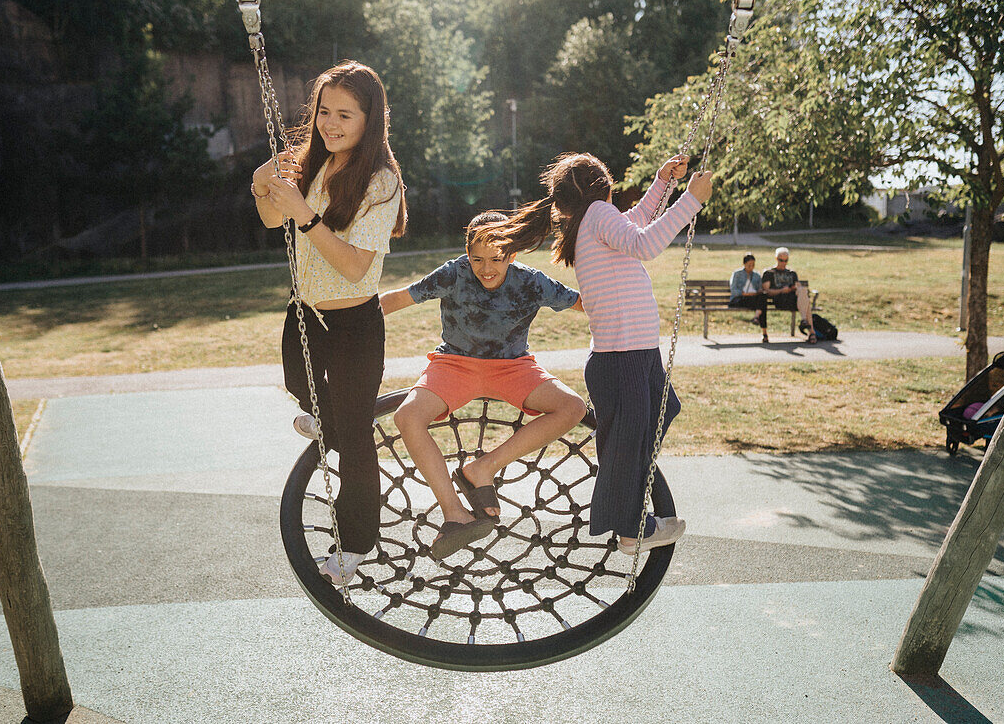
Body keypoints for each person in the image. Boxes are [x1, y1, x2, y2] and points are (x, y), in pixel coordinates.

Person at [472, 152, 712, 555]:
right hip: (624, 357)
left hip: (630, 354)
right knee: (629, 440)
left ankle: (632, 519)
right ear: (600, 187)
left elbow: (634, 221)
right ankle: (633, 531)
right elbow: (646, 243)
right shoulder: (598, 215)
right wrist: (691, 200)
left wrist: (662, 184)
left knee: (658, 415)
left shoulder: (592, 220)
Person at [251, 61, 406, 585]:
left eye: (345, 114)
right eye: (324, 111)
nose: (330, 124)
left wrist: (303, 213)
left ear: (370, 119)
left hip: (354, 324)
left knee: (354, 440)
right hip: (306, 313)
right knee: (301, 387)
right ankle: (333, 425)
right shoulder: (312, 163)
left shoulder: (381, 183)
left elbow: (355, 265)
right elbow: (275, 220)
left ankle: (356, 542)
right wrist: (262, 190)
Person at [380, 212, 587, 559]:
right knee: (407, 417)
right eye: (477, 259)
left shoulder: (532, 282)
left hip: (513, 366)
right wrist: (348, 318)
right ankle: (454, 513)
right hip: (455, 364)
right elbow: (398, 298)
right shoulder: (455, 273)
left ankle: (482, 468)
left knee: (572, 407)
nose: (486, 268)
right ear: (467, 255)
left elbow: (585, 303)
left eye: (497, 258)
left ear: (513, 254)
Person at [762, 247, 817, 344]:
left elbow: (798, 288)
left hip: (794, 301)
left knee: (803, 292)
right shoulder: (769, 273)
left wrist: (794, 288)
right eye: (781, 260)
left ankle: (806, 322)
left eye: (786, 260)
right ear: (776, 258)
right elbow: (767, 291)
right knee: (806, 302)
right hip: (780, 300)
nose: (783, 263)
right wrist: (782, 290)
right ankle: (811, 331)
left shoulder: (792, 273)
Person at [730, 253, 769, 343]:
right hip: (739, 298)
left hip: (752, 298)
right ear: (744, 264)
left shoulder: (756, 275)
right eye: (749, 265)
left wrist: (758, 292)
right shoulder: (737, 274)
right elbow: (734, 290)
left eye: (753, 265)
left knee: (762, 298)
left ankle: (756, 317)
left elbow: (759, 288)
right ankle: (764, 333)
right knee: (762, 305)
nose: (751, 267)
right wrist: (744, 294)